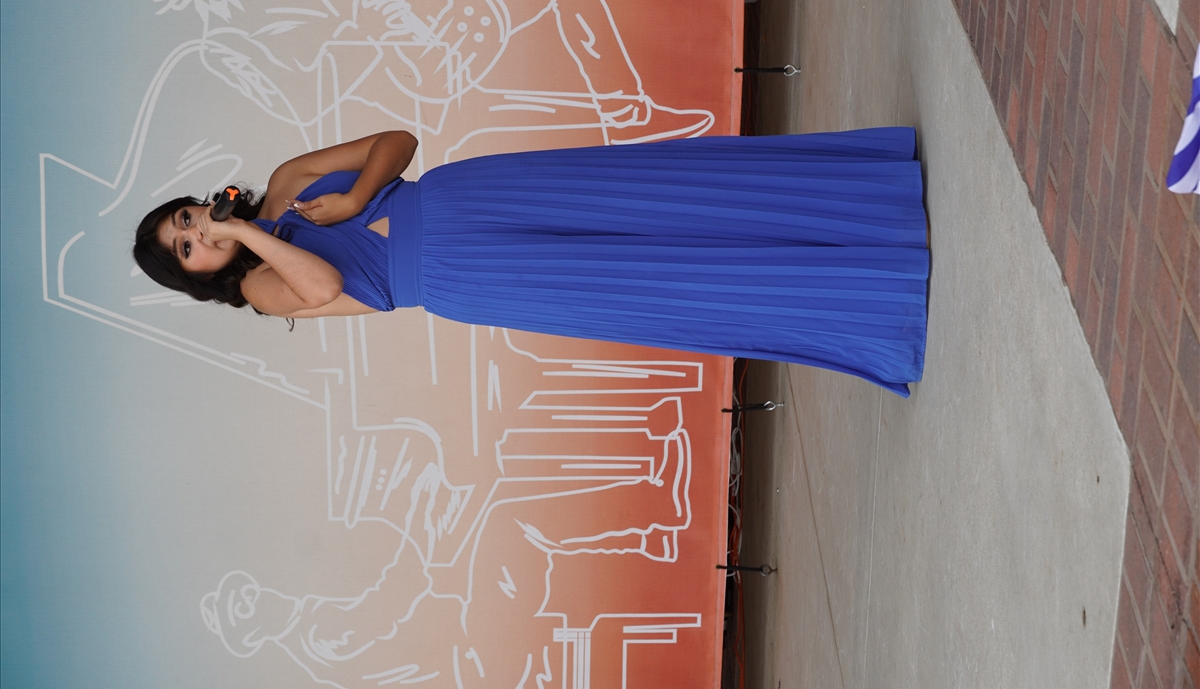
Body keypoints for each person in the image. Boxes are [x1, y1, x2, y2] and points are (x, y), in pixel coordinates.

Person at [134, 129, 929, 396]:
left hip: (469, 195)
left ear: (196, 203)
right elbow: (325, 285)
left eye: (186, 220)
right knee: (663, 283)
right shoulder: (264, 289)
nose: (197, 234)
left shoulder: (287, 180)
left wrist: (355, 197)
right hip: (466, 277)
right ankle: (873, 299)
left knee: (661, 196)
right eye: (187, 249)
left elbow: (397, 142)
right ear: (196, 275)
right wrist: (251, 235)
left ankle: (872, 207)